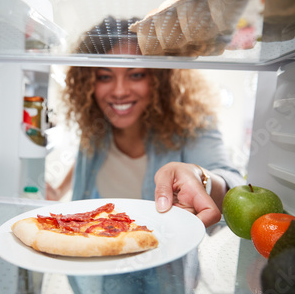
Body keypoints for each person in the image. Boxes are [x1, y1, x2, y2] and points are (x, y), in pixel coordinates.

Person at [47, 16, 244, 228]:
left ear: (160, 79)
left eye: (136, 75)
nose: (120, 91)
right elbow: (85, 156)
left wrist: (200, 178)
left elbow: (234, 187)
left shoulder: (192, 124)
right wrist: (58, 191)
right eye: (105, 77)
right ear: (89, 83)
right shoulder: (98, 125)